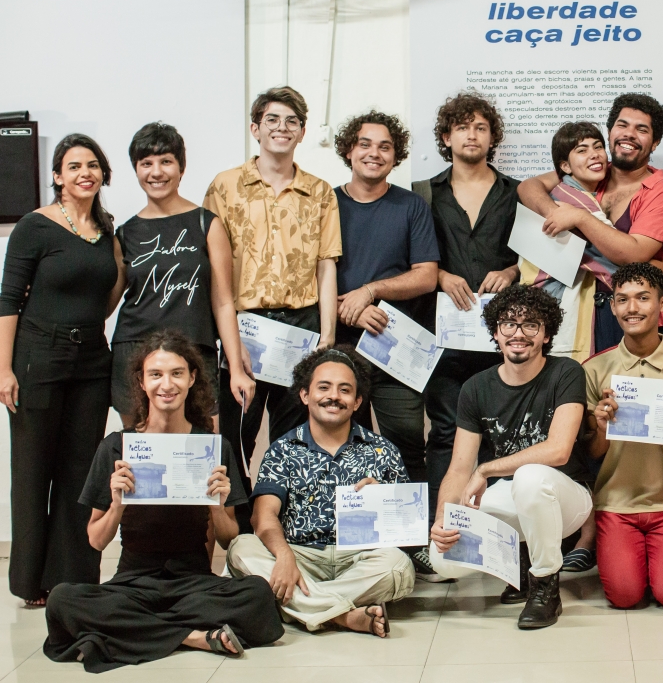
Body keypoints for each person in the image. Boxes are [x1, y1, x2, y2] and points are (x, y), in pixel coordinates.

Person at [43, 332, 282, 672]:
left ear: (192, 378)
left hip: (193, 581)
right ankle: (191, 635)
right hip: (133, 582)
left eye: (176, 373)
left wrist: (216, 505)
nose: (166, 384)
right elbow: (96, 539)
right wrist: (118, 504)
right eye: (155, 374)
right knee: (62, 600)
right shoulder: (116, 446)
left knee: (257, 594)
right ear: (141, 382)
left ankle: (141, 630)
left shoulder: (213, 447)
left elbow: (229, 538)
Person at [204, 86, 342, 531]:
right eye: (272, 120)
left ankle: (285, 525)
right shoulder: (225, 186)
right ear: (255, 128)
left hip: (301, 327)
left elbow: (326, 265)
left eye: (291, 122)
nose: (282, 128)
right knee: (234, 435)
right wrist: (228, 338)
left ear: (301, 132)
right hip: (243, 327)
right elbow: (213, 268)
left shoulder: (320, 192)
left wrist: (327, 337)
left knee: (292, 437)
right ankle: (240, 529)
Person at [0, 134, 124, 607]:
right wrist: (3, 369)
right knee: (33, 470)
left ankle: (71, 578)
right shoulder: (34, 226)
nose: (84, 173)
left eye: (92, 165)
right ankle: (30, 582)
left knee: (80, 473)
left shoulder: (106, 231)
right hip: (38, 357)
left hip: (92, 359)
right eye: (74, 166)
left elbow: (107, 293)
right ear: (57, 176)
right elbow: (8, 300)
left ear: (102, 173)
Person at [428, 285, 592, 629]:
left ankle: (545, 586)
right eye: (508, 324)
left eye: (530, 324)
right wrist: (444, 515)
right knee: (443, 558)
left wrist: (486, 470)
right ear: (495, 333)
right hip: (511, 497)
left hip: (566, 498)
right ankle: (519, 561)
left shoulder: (566, 372)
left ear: (546, 334)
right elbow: (459, 467)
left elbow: (558, 450)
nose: (519, 334)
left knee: (530, 476)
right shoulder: (475, 387)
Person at [226, 347, 414, 637]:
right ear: (305, 395)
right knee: (241, 548)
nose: (334, 396)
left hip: (359, 558)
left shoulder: (383, 451)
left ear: (357, 401)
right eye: (324, 387)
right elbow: (263, 518)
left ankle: (300, 604)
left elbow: (406, 530)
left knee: (398, 567)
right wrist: (284, 556)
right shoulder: (282, 450)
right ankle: (343, 616)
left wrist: (384, 500)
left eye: (345, 390)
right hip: (299, 555)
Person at [413, 91, 519, 536]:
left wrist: (512, 271)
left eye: (480, 127)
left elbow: (539, 257)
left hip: (505, 337)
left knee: (503, 434)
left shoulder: (517, 193)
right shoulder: (423, 194)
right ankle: (440, 530)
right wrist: (439, 275)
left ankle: (497, 534)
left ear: (492, 137)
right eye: (462, 127)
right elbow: (409, 255)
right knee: (444, 432)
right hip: (444, 336)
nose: (472, 135)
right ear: (446, 137)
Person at [584, 263, 663, 609]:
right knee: (624, 596)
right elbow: (592, 454)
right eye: (622, 299)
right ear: (613, 307)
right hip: (616, 502)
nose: (632, 308)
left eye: (643, 298)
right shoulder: (594, 369)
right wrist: (602, 427)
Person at [110, 122, 254, 428]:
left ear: (181, 168)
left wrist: (236, 368)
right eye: (146, 163)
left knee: (201, 446)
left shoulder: (206, 224)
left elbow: (223, 303)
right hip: (134, 353)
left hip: (195, 352)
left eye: (166, 161)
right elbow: (105, 302)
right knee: (140, 447)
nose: (156, 172)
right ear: (136, 170)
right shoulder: (125, 233)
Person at [519, 93, 663, 351]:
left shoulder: (662, 193)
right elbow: (529, 187)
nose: (629, 134)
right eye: (622, 125)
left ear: (655, 143)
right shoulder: (592, 170)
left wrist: (579, 218)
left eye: (641, 129)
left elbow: (632, 255)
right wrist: (555, 214)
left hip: (638, 313)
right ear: (610, 133)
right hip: (582, 308)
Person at [332, 110, 438, 479]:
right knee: (345, 450)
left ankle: (413, 520)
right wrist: (349, 310)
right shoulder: (325, 205)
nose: (374, 153)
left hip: (396, 351)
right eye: (365, 144)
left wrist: (370, 290)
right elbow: (307, 276)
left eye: (385, 147)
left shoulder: (411, 206)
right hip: (341, 350)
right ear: (349, 150)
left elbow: (427, 276)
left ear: (396, 156)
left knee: (408, 449)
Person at [520, 121, 617, 361]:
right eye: (582, 150)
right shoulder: (570, 200)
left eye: (598, 147)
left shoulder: (571, 192)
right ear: (565, 166)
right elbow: (618, 261)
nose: (594, 154)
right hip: (554, 303)